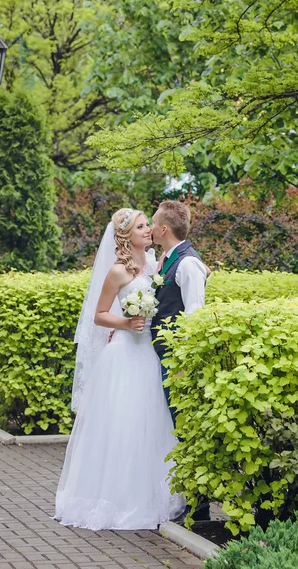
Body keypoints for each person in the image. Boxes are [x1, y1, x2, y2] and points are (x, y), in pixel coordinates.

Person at [54, 208, 185, 531]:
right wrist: (126, 322)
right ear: (126, 236)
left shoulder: (157, 264)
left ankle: (156, 499)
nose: (147, 230)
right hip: (124, 355)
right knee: (123, 428)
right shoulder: (117, 272)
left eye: (147, 225)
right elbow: (98, 315)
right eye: (140, 227)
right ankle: (118, 500)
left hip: (150, 355)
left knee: (152, 428)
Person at [150, 200, 209, 521]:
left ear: (164, 229)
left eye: (154, 223)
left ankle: (198, 506)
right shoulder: (170, 260)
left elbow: (194, 316)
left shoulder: (188, 264)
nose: (151, 228)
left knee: (184, 427)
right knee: (174, 426)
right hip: (164, 356)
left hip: (178, 360)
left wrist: (184, 361)